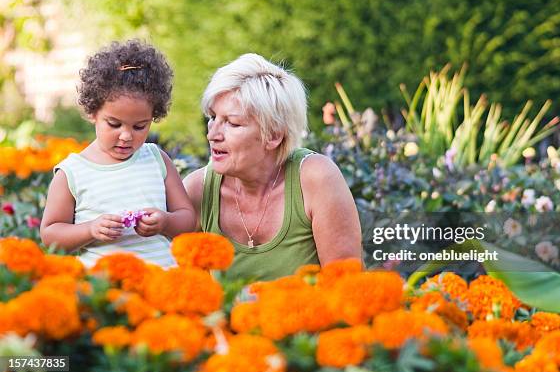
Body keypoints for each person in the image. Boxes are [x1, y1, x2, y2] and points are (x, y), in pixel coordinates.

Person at [184, 53, 362, 280]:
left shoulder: (316, 179)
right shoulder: (197, 190)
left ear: (274, 135)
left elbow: (346, 287)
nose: (212, 134)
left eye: (233, 123)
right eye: (213, 117)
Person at [40, 40, 196, 268]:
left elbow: (187, 218)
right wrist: (90, 229)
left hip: (161, 284)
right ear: (93, 111)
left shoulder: (156, 159)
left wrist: (165, 222)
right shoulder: (72, 173)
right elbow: (50, 234)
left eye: (140, 126)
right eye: (114, 124)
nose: (126, 136)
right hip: (105, 292)